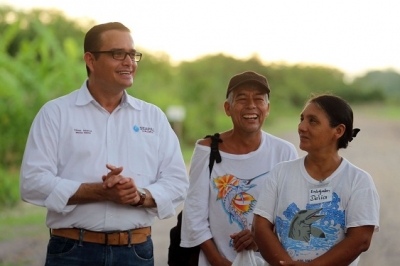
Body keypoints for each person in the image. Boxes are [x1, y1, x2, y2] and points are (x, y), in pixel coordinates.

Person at [20, 22, 189, 266]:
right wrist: (99, 191)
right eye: (117, 54)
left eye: (132, 54)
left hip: (136, 253)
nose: (129, 62)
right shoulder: (55, 113)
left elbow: (177, 183)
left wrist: (138, 195)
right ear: (90, 59)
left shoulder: (153, 117)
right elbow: (32, 183)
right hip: (72, 252)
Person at [180, 71, 298, 265]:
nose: (251, 105)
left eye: (259, 99)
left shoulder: (284, 152)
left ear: (267, 108)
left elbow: (291, 211)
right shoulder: (207, 150)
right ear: (228, 108)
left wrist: (261, 237)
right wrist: (217, 260)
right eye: (242, 99)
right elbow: (194, 215)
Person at [253, 94, 380, 266]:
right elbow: (260, 228)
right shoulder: (280, 172)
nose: (301, 127)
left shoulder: (358, 181)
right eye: (302, 119)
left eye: (313, 121)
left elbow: (361, 240)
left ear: (339, 131)